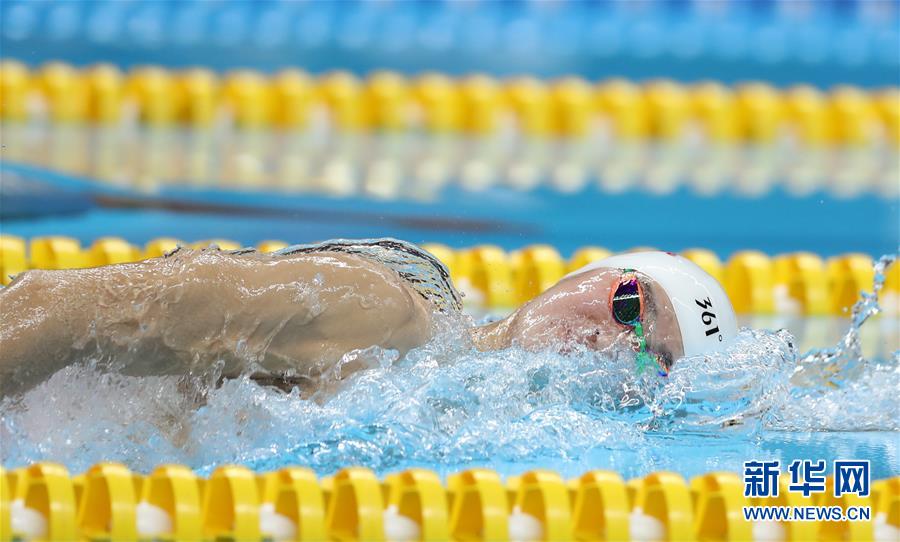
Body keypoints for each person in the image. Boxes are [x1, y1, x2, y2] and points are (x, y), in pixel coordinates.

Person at [0, 238, 737, 398]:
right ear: (585, 276)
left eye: (654, 359)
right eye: (629, 303)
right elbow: (56, 308)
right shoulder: (385, 308)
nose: (617, 336)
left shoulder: (442, 393)